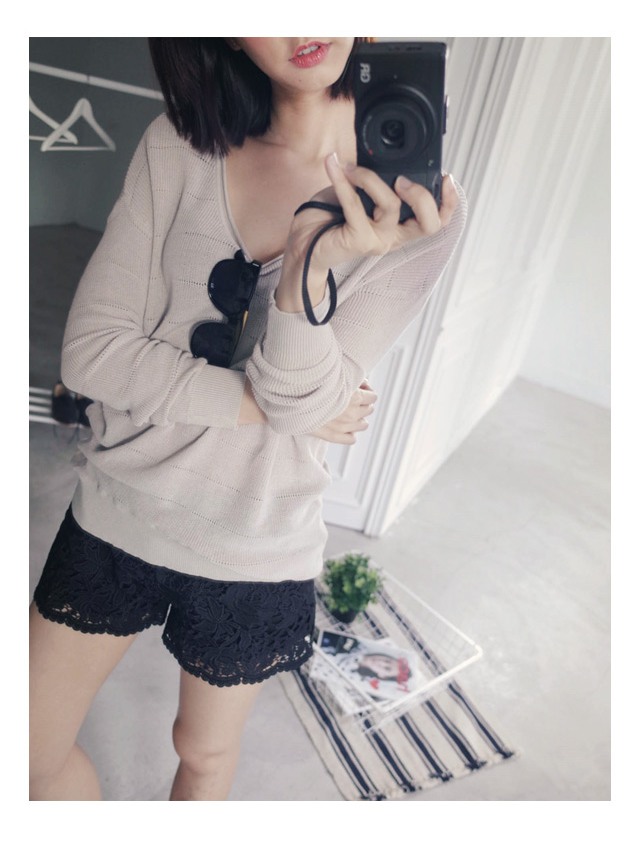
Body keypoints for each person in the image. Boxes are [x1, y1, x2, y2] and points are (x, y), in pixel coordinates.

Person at [29, 37, 466, 801]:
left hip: (258, 541)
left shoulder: (422, 212)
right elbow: (94, 357)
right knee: (26, 756)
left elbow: (304, 407)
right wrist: (267, 402)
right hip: (120, 510)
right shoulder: (178, 146)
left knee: (202, 755)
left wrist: (307, 263)